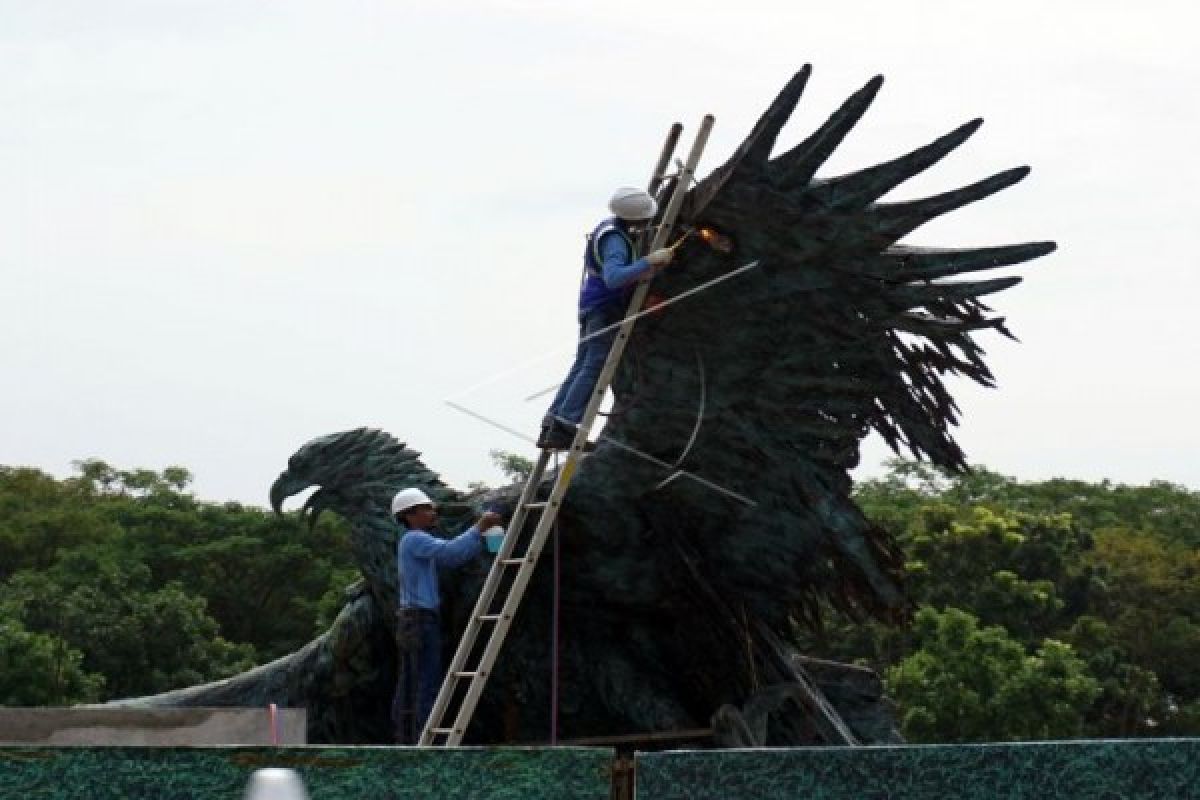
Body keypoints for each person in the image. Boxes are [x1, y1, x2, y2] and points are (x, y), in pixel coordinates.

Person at [537, 186, 677, 450]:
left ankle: (553, 423)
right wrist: (650, 261)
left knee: (582, 364)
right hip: (604, 307)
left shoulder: (609, 227)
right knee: (594, 365)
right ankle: (566, 424)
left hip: (592, 305)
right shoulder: (615, 240)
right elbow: (614, 278)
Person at [390, 487, 501, 744]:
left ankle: (409, 739)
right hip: (418, 621)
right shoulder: (414, 539)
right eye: (426, 509)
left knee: (414, 683)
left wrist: (481, 536)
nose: (433, 513)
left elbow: (454, 557)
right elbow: (451, 552)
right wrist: (478, 528)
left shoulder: (417, 542)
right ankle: (423, 742)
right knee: (423, 684)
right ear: (409, 515)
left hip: (417, 621)